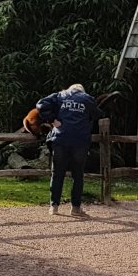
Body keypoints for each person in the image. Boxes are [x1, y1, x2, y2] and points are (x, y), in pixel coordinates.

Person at [34, 82, 102, 216]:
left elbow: (41, 104)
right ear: (82, 91)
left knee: (57, 174)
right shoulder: (87, 98)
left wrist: (52, 120)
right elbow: (97, 114)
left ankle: (54, 206)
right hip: (80, 142)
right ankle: (75, 208)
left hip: (60, 139)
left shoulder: (60, 95)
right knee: (77, 176)